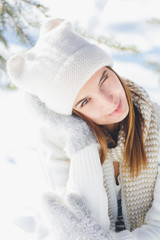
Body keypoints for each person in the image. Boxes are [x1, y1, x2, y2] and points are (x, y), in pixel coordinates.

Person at [6, 17, 160, 239]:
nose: (109, 101)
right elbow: (84, 226)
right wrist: (80, 141)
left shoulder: (157, 124)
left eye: (104, 79)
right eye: (85, 101)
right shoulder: (57, 142)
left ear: (111, 69)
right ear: (70, 114)